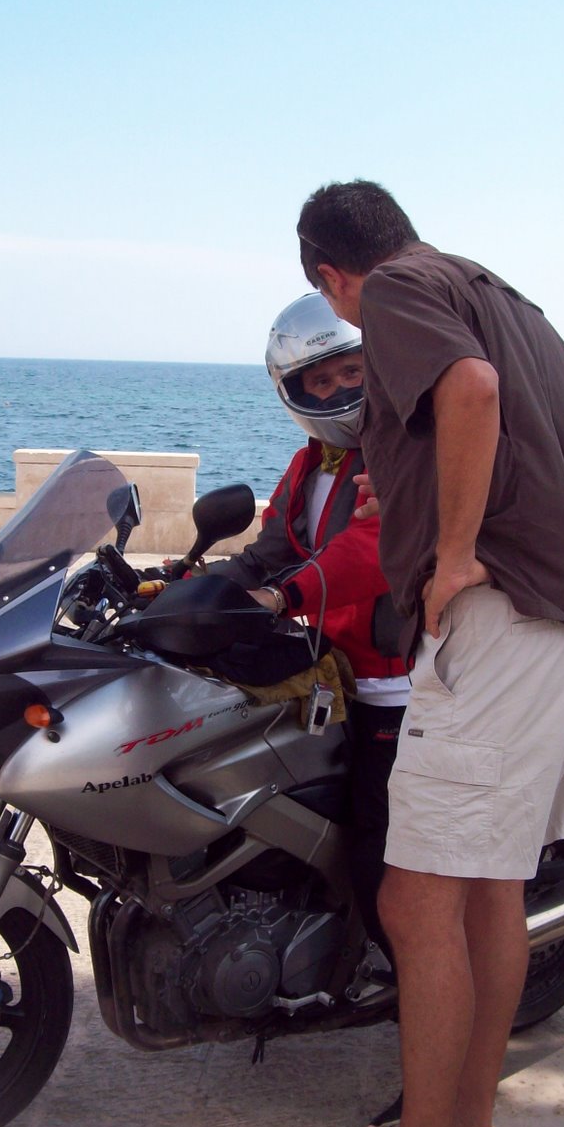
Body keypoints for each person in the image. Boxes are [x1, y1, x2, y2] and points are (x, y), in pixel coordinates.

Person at [294, 180, 564, 1127]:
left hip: (497, 631)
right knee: (487, 899)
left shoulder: (394, 291)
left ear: (330, 277)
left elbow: (469, 390)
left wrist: (458, 552)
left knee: (414, 906)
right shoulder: (518, 308)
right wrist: (427, 502)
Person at [207, 292, 410, 954]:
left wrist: (281, 596)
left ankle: (398, 968)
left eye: (351, 371)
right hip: (328, 669)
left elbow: (369, 551)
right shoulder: (310, 463)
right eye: (320, 381)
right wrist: (183, 585)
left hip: (392, 683)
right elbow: (269, 549)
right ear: (296, 392)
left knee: (375, 840)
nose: (339, 388)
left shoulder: (397, 454)